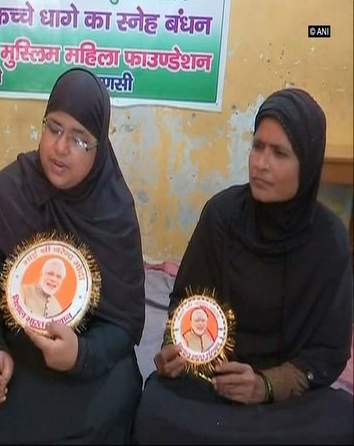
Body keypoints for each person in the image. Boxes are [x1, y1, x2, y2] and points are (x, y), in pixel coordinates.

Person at [133, 88, 353, 445]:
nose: (261, 163)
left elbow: (329, 352)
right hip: (213, 385)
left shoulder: (329, 241)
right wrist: (181, 350)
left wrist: (265, 385)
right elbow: (186, 305)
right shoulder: (222, 216)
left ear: (309, 164)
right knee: (153, 409)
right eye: (257, 146)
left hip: (287, 401)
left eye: (279, 153)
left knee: (343, 421)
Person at [0, 67, 146, 444]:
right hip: (11, 351)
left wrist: (80, 354)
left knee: (123, 387)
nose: (60, 147)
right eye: (54, 128)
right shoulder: (10, 191)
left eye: (80, 139)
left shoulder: (113, 213)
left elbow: (125, 324)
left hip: (78, 361)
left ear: (100, 149)